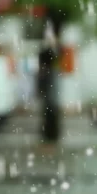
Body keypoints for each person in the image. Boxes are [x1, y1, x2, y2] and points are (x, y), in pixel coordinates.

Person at [37, 16, 62, 145]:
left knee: (52, 108)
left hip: (51, 81)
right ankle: (48, 134)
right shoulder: (45, 52)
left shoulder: (54, 50)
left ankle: (52, 135)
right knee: (49, 108)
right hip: (49, 81)